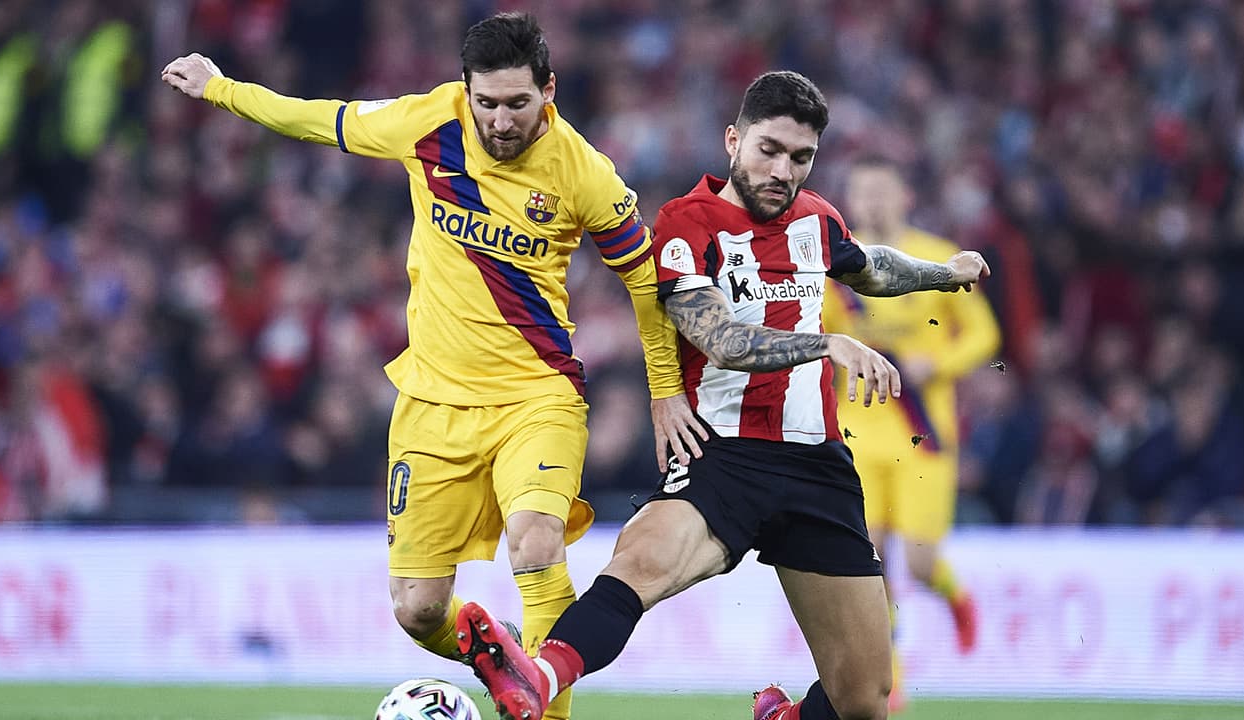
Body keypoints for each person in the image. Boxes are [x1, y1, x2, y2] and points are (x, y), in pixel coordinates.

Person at [161, 13, 704, 720]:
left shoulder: (584, 172)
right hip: (432, 402)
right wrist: (221, 88)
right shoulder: (427, 122)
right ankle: (499, 655)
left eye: (518, 103)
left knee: (536, 544)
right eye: (487, 103)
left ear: (548, 90)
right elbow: (319, 119)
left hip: (537, 396)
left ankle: (544, 703)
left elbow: (645, 279)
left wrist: (664, 391)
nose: (500, 121)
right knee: (417, 609)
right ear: (465, 90)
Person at [455, 70, 990, 720]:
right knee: (643, 562)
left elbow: (869, 267)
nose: (783, 171)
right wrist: (827, 345)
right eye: (769, 149)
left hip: (817, 466)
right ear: (733, 140)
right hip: (724, 455)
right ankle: (535, 678)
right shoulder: (687, 225)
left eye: (800, 157)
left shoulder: (817, 219)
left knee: (865, 701)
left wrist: (942, 274)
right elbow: (722, 338)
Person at [825, 155, 1001, 711]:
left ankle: (955, 595)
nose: (872, 201)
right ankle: (890, 676)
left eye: (882, 189)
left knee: (920, 564)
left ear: (905, 196)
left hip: (924, 434)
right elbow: (817, 332)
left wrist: (938, 364)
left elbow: (984, 335)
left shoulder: (937, 256)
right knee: (870, 560)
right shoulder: (837, 263)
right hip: (858, 429)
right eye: (862, 191)